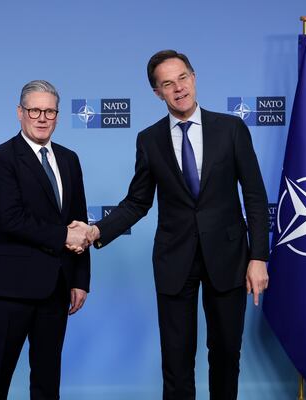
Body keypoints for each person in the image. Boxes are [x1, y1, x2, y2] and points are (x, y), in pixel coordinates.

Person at [72, 50, 269, 399]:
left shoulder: (232, 129)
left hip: (229, 257)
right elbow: (137, 202)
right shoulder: (149, 140)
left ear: (193, 78)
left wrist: (258, 258)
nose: (178, 88)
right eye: (167, 84)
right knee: (176, 360)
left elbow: (254, 196)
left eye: (182, 78)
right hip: (175, 260)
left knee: (226, 353)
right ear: (157, 93)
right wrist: (95, 231)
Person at [0, 80, 91, 400]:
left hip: (56, 286)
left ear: (57, 114)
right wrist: (63, 235)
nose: (42, 117)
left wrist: (80, 278)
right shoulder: (0, 158)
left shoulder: (70, 159)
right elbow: (8, 218)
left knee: (47, 379)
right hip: (9, 288)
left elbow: (78, 221)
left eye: (49, 111)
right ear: (20, 113)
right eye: (34, 110)